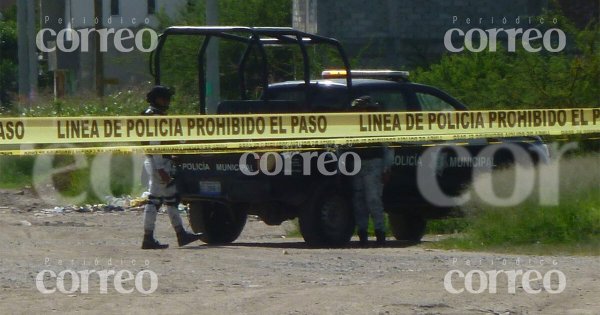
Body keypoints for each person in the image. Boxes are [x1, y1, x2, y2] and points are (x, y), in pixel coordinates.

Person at [141, 85, 202, 250]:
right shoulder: (154, 116)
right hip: (158, 162)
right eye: (164, 98)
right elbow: (155, 144)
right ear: (156, 99)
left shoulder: (153, 114)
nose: (167, 101)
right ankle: (172, 235)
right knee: (159, 200)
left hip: (156, 161)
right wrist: (161, 168)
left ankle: (177, 234)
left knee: (166, 199)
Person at [351, 96, 394, 246]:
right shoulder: (350, 126)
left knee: (373, 199)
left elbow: (388, 147)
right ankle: (362, 232)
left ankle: (380, 232)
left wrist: (386, 168)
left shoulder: (378, 125)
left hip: (374, 164)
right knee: (359, 200)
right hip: (357, 165)